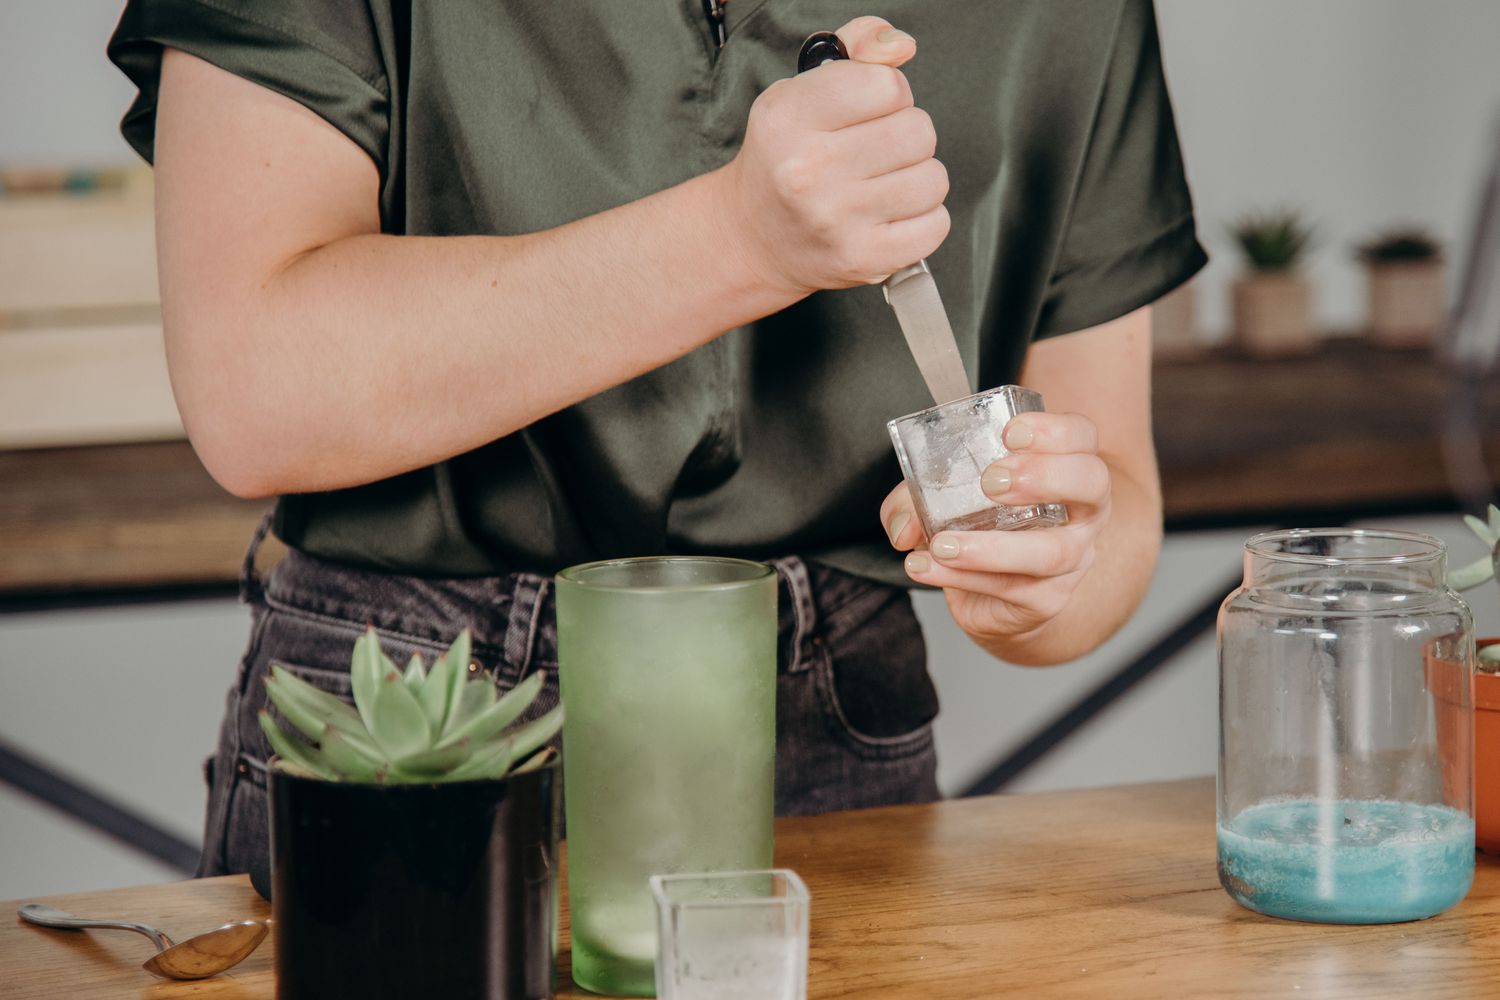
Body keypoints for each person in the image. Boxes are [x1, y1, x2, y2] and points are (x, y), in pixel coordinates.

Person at [108, 2, 1206, 880]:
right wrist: (740, 240)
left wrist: (1048, 570)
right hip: (406, 707)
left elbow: (1113, 491)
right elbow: (257, 391)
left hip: (839, 718)